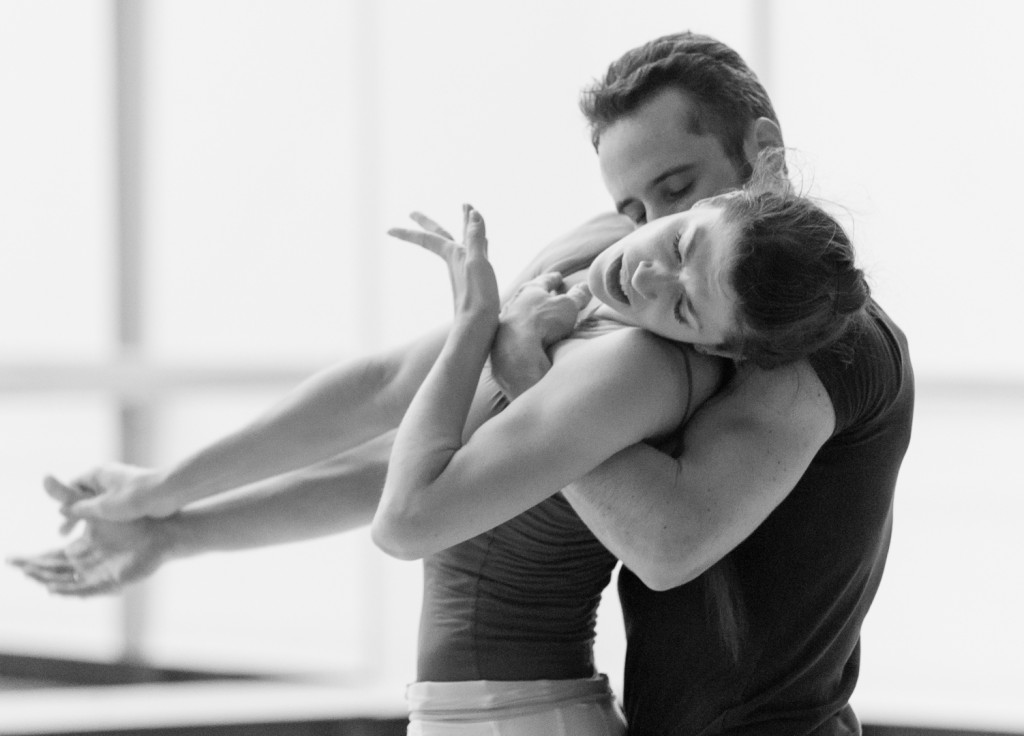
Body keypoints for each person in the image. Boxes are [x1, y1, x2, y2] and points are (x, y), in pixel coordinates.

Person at [11, 31, 913, 735]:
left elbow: (656, 539)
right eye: (636, 205)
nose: (646, 246)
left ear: (759, 156)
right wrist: (174, 513)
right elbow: (402, 417)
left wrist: (515, 361)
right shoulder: (606, 274)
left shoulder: (754, 346)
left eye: (676, 192)